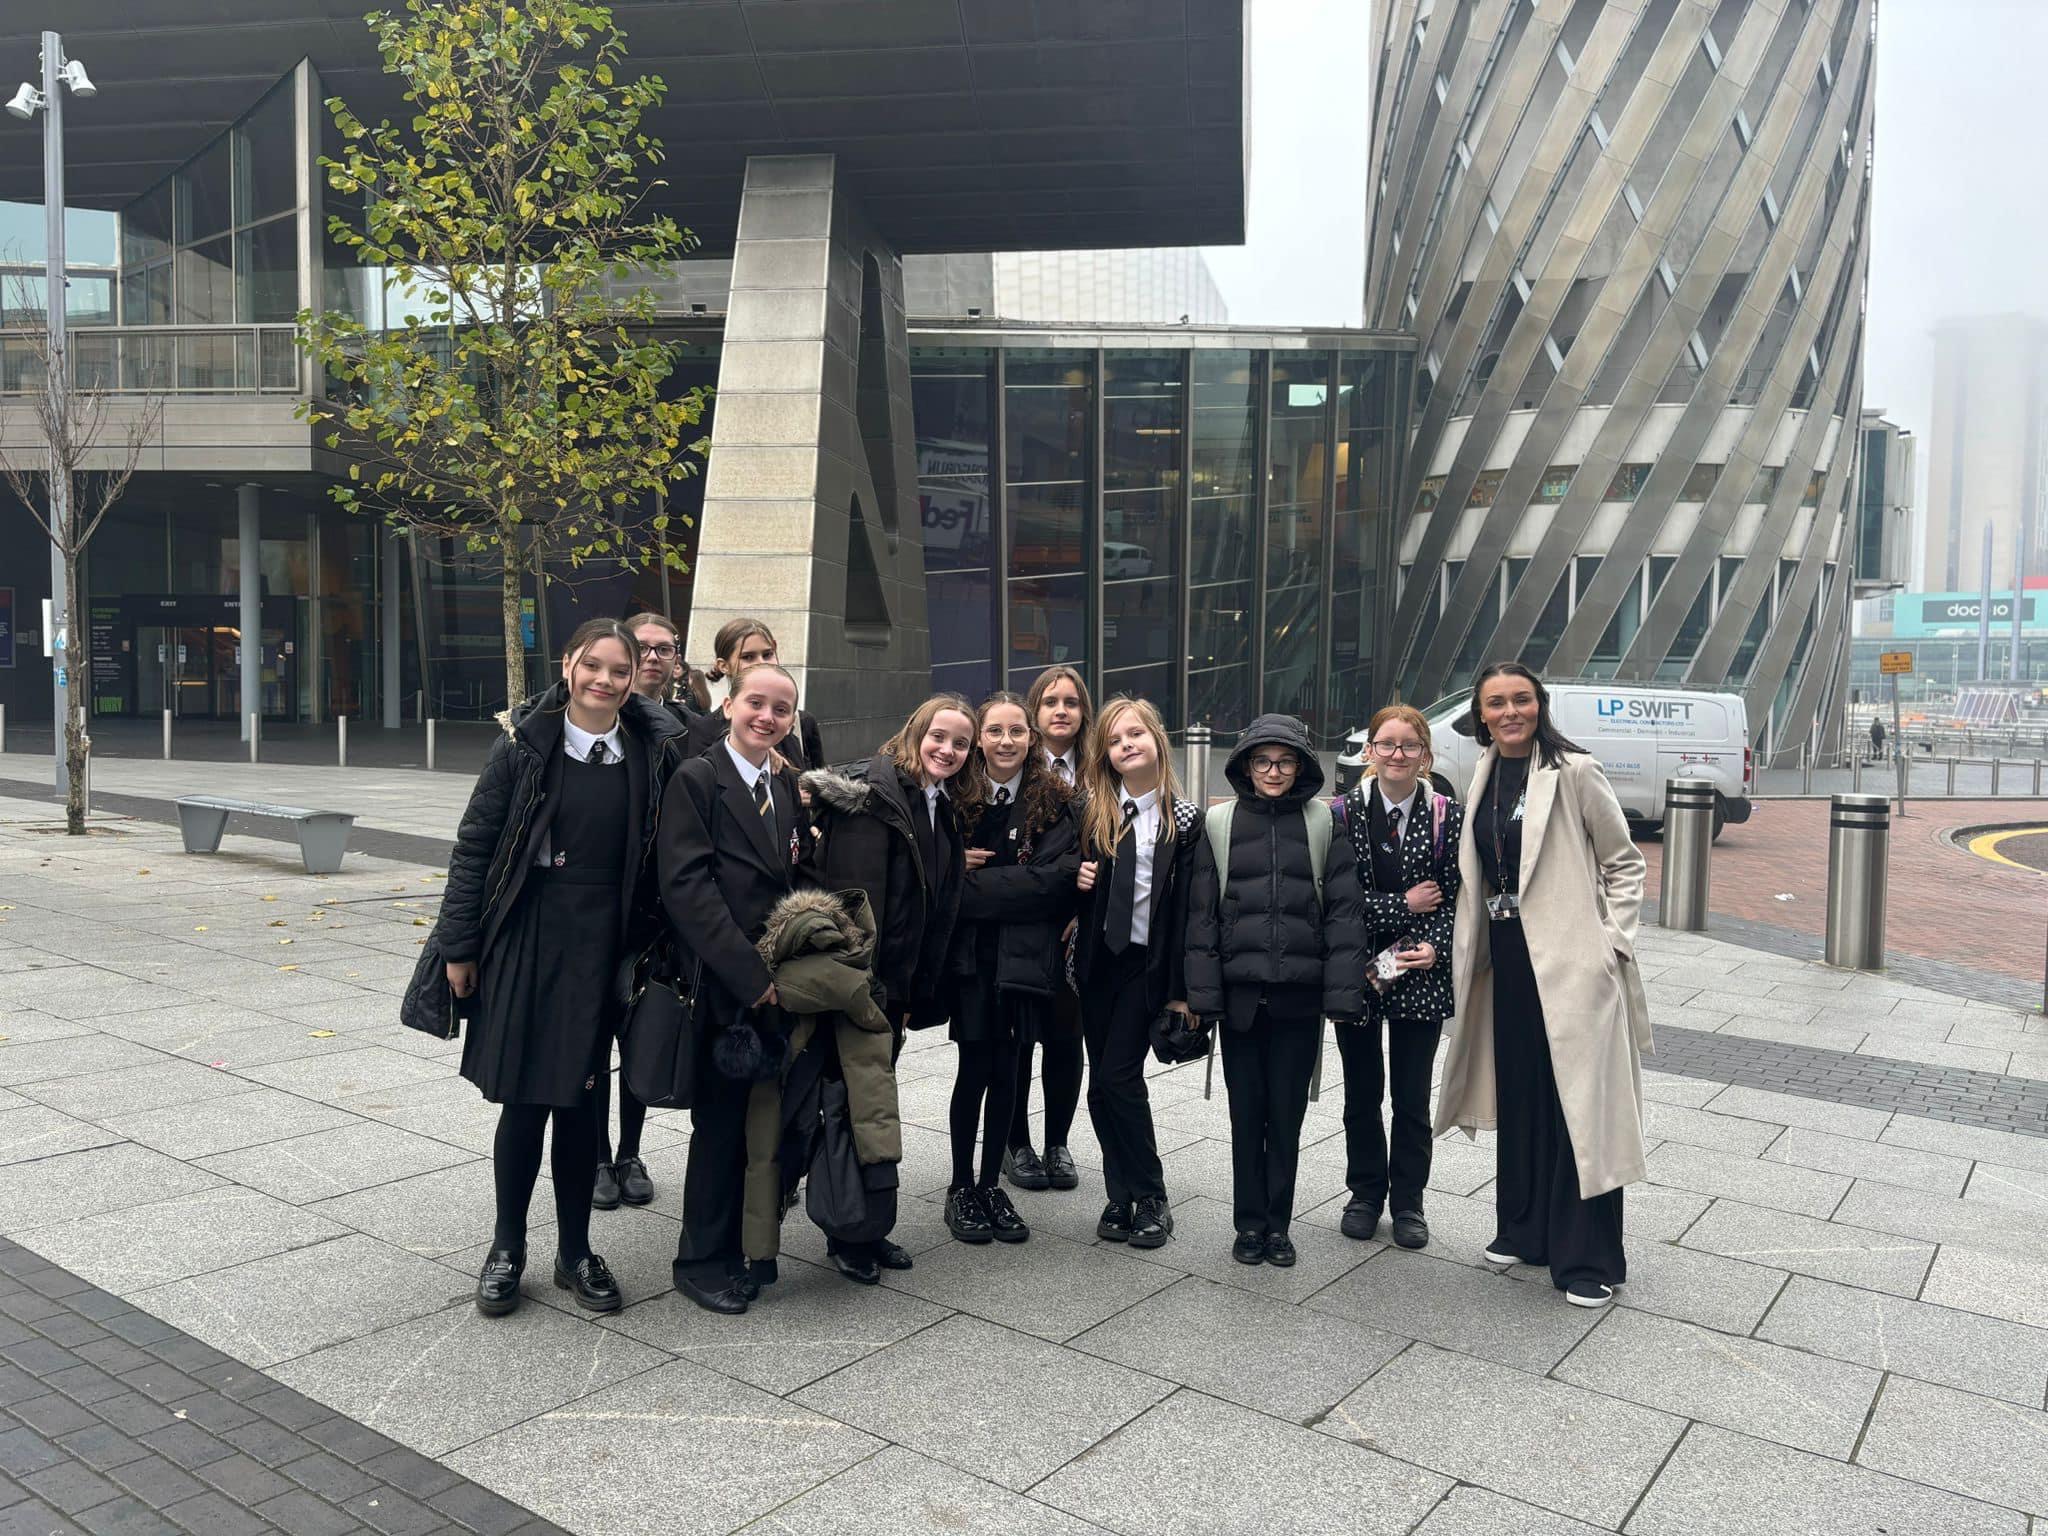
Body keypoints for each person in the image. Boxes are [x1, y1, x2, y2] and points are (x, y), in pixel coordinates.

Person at [407, 619, 684, 1319]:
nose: (606, 680)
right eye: (593, 665)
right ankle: (507, 1250)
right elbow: (474, 850)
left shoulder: (652, 753)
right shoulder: (523, 749)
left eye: (619, 671)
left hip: (604, 951)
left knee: (582, 1104)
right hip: (528, 944)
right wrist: (459, 948)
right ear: (567, 666)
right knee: (525, 1102)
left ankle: (575, 1252)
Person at [1435, 662, 1650, 1310]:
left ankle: (1587, 1258)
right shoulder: (1482, 772)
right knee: (1523, 1096)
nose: (1509, 712)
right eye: (1496, 703)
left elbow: (1624, 862)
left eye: (1521, 700)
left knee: (1577, 1109)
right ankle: (1524, 1230)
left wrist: (1614, 942)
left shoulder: (1575, 771)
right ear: (1481, 713)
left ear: (1540, 705)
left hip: (1569, 964)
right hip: (1503, 962)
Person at [801, 693, 980, 1280]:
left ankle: (868, 1228)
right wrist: (867, 994)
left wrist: (905, 999)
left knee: (872, 1112)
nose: (947, 750)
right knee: (852, 1111)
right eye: (939, 737)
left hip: (892, 994)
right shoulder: (874, 802)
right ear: (914, 734)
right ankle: (846, 1233)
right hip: (861, 991)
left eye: (959, 742)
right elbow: (853, 909)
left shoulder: (935, 804)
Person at [1184, 715, 1367, 1267]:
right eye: (1262, 761)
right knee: (1247, 1114)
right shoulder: (1219, 823)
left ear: (1302, 767)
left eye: (1285, 762)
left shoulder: (1323, 824)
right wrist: (1203, 996)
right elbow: (1201, 919)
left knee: (1286, 1116)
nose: (1273, 772)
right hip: (1240, 999)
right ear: (1244, 765)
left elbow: (1343, 914)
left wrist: (1342, 996)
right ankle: (1248, 1224)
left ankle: (1279, 1226)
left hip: (1298, 999)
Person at [657, 661, 806, 1315]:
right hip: (724, 988)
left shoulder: (786, 786)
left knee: (755, 1128)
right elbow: (688, 888)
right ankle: (699, 1260)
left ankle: (740, 1249)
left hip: (772, 988)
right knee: (717, 1129)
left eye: (780, 708)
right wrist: (751, 979)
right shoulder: (698, 778)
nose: (766, 717)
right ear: (729, 705)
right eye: (756, 703)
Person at [943, 692, 1082, 1244]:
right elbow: (941, 879)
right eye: (995, 731)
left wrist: (970, 883)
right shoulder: (956, 795)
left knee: (1012, 1069)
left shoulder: (1057, 801)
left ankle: (990, 1184)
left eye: (1016, 732)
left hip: (1025, 961)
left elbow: (1055, 883)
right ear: (979, 737)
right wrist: (962, 878)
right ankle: (960, 1187)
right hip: (972, 961)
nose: (1006, 741)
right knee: (974, 1067)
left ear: (1032, 738)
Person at [1072, 696, 1200, 1250]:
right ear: (1106, 753)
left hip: (1147, 966)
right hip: (1098, 964)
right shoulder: (1092, 811)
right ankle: (1118, 1194)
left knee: (1119, 1076)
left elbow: (1193, 911)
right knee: (1100, 1086)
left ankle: (1151, 1195)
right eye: (1115, 739)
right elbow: (1062, 878)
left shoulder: (1185, 819)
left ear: (1156, 741)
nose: (1127, 744)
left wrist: (1181, 993)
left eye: (1136, 734)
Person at [1332, 704, 1462, 1250]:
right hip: (1359, 970)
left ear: (1425, 755)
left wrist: (1437, 945)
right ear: (1370, 752)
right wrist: (1401, 905)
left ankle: (1409, 1201)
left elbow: (1456, 893)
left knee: (1411, 1096)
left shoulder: (1446, 815)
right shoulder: (1340, 814)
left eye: (1409, 746)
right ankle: (1364, 1193)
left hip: (1420, 973)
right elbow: (1336, 901)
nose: (1397, 754)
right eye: (1386, 744)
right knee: (1362, 1092)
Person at [585, 610, 689, 1213]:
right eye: (640, 649)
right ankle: (598, 1153)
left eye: (662, 650)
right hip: (592, 914)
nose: (651, 659)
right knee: (594, 1042)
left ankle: (630, 1151)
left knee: (643, 1036)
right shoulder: (585, 722)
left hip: (651, 918)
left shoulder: (687, 729)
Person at [1003, 665, 1092, 1194]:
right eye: (1051, 701)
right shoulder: (1016, 764)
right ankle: (1016, 1142)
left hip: (1076, 926)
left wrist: (1089, 911)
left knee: (1066, 1035)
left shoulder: (1100, 769)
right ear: (1034, 713)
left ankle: (1057, 1142)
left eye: (1072, 702)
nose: (1061, 710)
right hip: (1025, 921)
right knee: (1016, 1038)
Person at [686, 617, 827, 770]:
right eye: (748, 657)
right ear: (724, 666)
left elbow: (820, 782)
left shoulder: (803, 723)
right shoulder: (704, 730)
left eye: (767, 654)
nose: (761, 663)